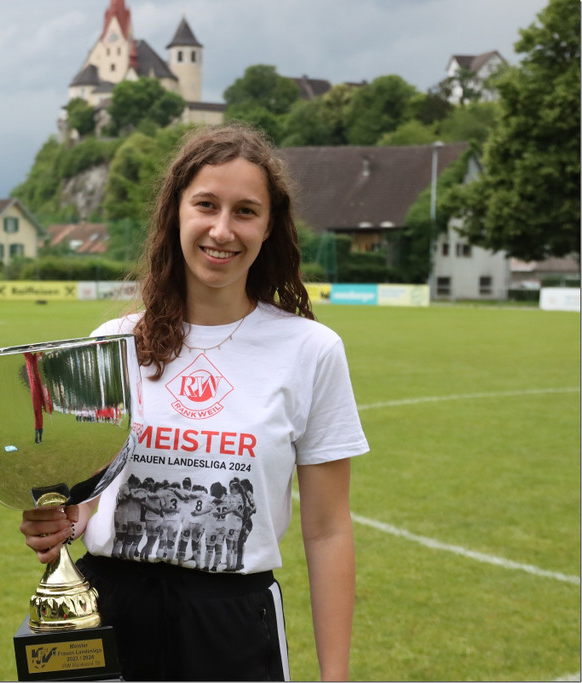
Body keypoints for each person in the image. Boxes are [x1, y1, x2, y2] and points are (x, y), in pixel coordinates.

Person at [20, 123, 369, 681]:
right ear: (176, 213)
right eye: (206, 205)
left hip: (232, 626)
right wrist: (64, 519)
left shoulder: (310, 350)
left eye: (245, 211)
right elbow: (89, 496)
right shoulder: (113, 342)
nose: (222, 230)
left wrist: (335, 677)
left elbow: (328, 530)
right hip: (110, 611)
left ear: (269, 226)